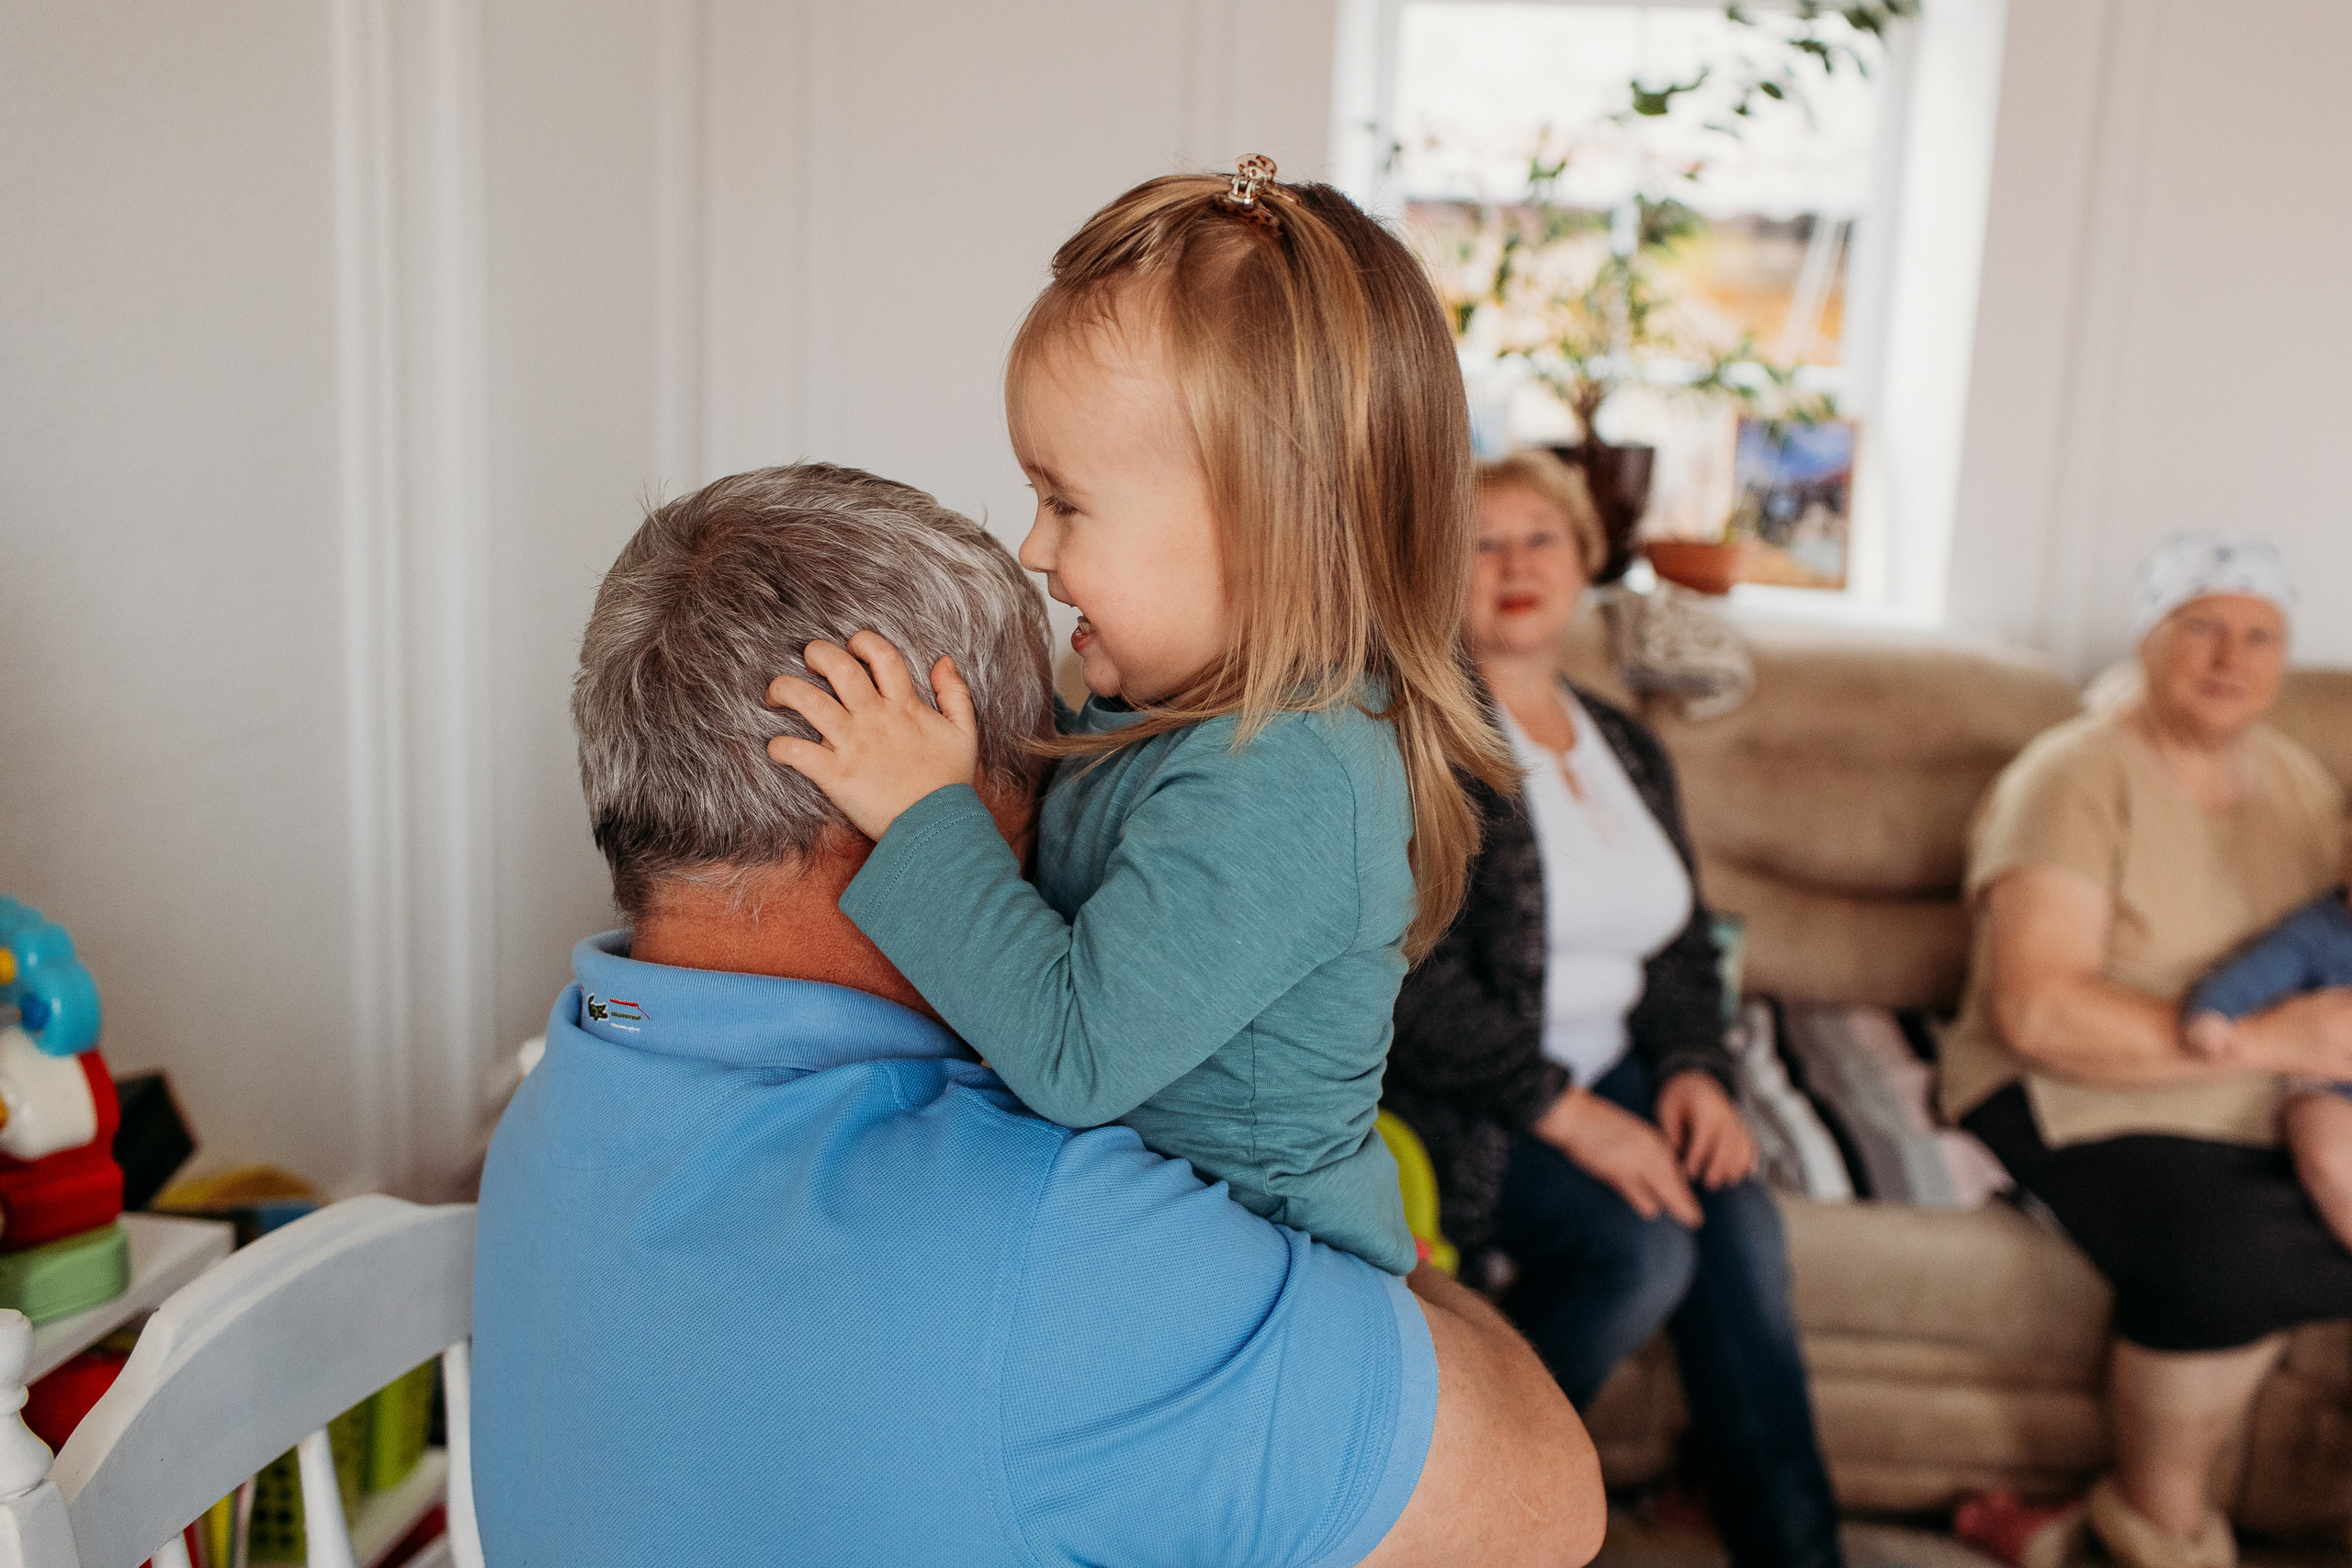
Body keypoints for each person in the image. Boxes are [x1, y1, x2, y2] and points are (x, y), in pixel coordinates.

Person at [470, 463, 1604, 1568]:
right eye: (1057, 758)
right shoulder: (1056, 1245)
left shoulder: (552, 1099)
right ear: (921, 801)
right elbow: (1547, 1501)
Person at [762, 157, 1511, 1274]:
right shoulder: (1161, 710)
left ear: (1266, 521)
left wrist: (925, 815)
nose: (1033, 548)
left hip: (1260, 1285)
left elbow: (1073, 1053)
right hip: (1152, 1243)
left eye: (1066, 502)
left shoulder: (1290, 772)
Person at [1385, 447, 1844, 1568]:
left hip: (1630, 1069)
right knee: (1641, 1252)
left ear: (1587, 561)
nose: (1513, 564)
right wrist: (1563, 1110)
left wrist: (1696, 1066)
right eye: (1480, 543)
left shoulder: (1625, 741)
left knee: (1738, 1218)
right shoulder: (1422, 737)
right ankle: (1451, 1502)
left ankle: (1795, 1549)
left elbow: (1681, 939)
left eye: (1540, 537)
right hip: (1475, 1102)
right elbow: (1405, 982)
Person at [1939, 532, 2352, 1568]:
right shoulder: (2072, 776)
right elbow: (2036, 1013)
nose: (2230, 655)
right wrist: (2267, 1036)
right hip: (2067, 1091)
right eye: (2201, 625)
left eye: (2260, 634)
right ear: (2149, 635)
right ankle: (2160, 1529)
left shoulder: (2300, 785)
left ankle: (2111, 1519)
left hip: (2250, 1094)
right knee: (2226, 1252)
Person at [2179, 845, 2352, 1251]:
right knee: (2329, 1158)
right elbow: (2264, 966)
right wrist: (2216, 1009)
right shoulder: (2321, 930)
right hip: (2328, 1084)